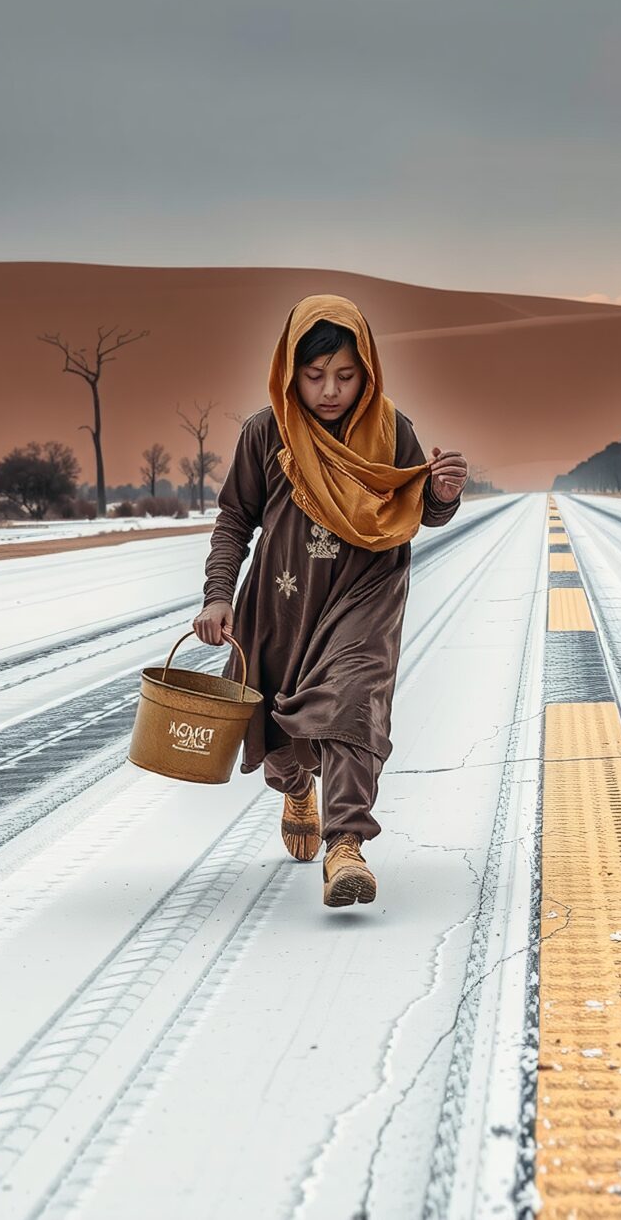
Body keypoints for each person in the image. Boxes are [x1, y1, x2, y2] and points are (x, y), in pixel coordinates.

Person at [194, 294, 467, 908]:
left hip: (365, 595)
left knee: (352, 705)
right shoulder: (267, 432)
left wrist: (443, 493)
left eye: (345, 375)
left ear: (366, 371)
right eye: (314, 375)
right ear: (291, 371)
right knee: (280, 736)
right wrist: (218, 595)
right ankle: (295, 789)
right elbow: (234, 520)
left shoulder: (392, 430)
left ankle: (346, 845)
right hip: (282, 603)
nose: (329, 390)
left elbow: (418, 509)